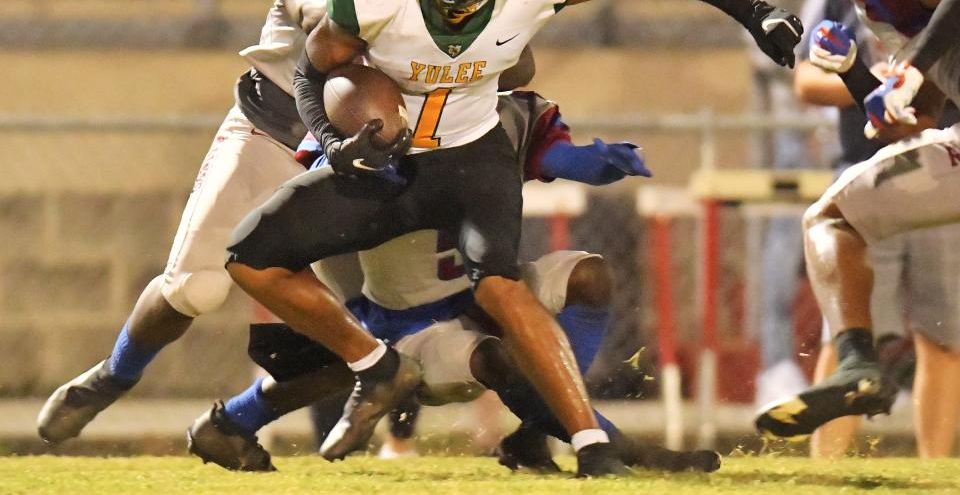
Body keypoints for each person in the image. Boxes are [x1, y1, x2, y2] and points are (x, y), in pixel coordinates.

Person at [224, 0, 802, 477]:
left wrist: (752, 9)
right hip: (387, 160)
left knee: (502, 286)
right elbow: (312, 68)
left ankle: (590, 445)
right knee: (249, 256)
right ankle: (369, 365)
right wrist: (333, 145)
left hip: (472, 158)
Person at [36, 0, 445, 445]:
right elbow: (309, 11)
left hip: (371, 152)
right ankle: (112, 376)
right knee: (196, 287)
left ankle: (252, 423)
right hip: (277, 130)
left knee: (396, 321)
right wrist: (357, 6)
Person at [188, 91, 719, 475]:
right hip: (413, 318)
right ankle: (601, 439)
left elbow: (548, 151)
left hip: (490, 287)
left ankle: (538, 433)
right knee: (493, 360)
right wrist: (356, 327)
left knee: (590, 274)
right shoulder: (355, 136)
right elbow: (306, 237)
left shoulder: (499, 112)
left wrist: (592, 161)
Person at [756, 0, 960, 441]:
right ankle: (856, 367)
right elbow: (920, 118)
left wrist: (915, 68)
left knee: (830, 221)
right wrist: (860, 78)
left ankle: (857, 363)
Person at [749, 0, 856, 409]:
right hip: (798, 118)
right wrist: (800, 103)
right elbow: (760, 32)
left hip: (856, 113)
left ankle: (856, 360)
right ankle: (775, 364)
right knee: (784, 241)